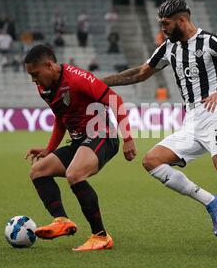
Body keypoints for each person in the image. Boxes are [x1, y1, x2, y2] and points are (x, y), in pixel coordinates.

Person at [102, 0, 217, 254]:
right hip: (192, 120)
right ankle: (211, 202)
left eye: (166, 24)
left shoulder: (212, 41)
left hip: (216, 113)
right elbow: (141, 72)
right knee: (152, 161)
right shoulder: (168, 48)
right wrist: (102, 83)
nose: (163, 29)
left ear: (181, 20)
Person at [24, 45, 136, 251]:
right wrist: (50, 149)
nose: (34, 80)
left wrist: (128, 138)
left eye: (35, 74)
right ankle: (61, 220)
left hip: (103, 135)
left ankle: (101, 237)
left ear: (49, 65)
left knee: (74, 174)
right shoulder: (44, 88)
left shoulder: (78, 79)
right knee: (38, 171)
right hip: (79, 141)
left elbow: (115, 100)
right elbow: (61, 118)